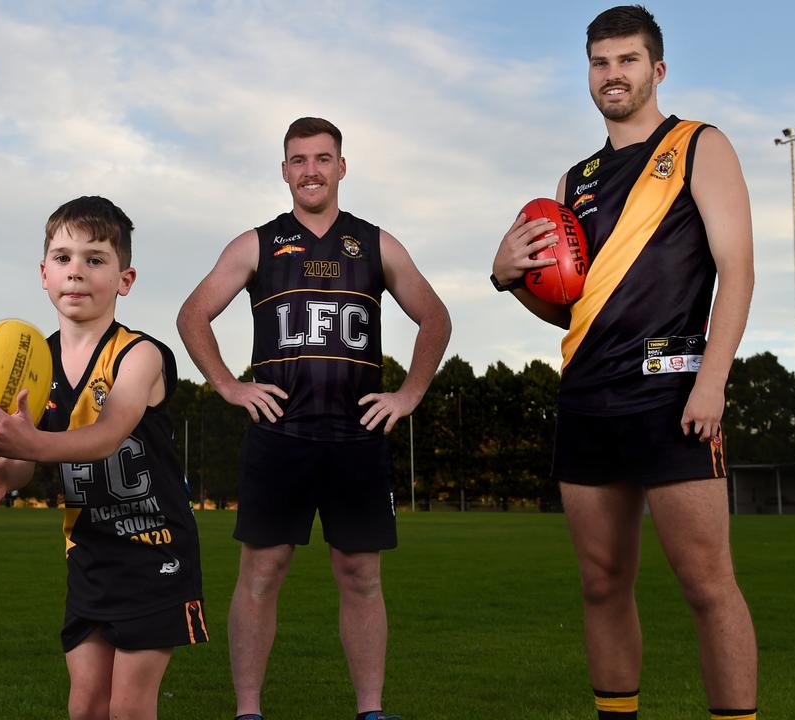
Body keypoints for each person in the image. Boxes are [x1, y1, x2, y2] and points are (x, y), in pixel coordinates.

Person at [490, 6, 757, 720]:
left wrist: (713, 381)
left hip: (674, 394)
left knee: (707, 584)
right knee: (602, 582)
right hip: (587, 396)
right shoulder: (574, 179)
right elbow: (570, 309)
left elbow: (738, 271)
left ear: (656, 70)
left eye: (628, 60)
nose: (614, 74)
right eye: (601, 62)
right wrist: (509, 277)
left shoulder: (700, 145)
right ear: (588, 73)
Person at [177, 117, 451, 720]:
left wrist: (407, 394)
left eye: (322, 159)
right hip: (281, 435)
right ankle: (248, 712)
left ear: (341, 167)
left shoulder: (375, 244)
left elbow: (435, 317)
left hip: (357, 437)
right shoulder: (257, 243)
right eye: (298, 160)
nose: (311, 171)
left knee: (360, 575)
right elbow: (193, 313)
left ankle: (371, 712)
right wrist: (227, 384)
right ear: (284, 171)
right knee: (261, 573)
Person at [0, 196, 207, 720]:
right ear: (43, 274)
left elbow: (108, 434)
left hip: (153, 551)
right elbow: (30, 451)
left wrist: (27, 447)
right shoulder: (35, 362)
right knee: (87, 703)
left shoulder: (141, 354)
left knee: (130, 705)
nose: (77, 272)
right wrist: (2, 476)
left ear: (125, 279)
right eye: (63, 258)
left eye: (95, 259)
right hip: (89, 553)